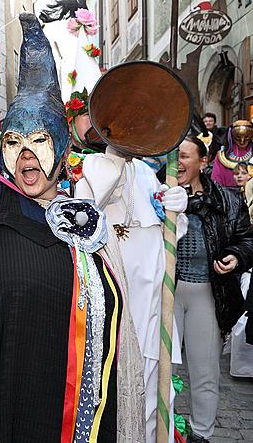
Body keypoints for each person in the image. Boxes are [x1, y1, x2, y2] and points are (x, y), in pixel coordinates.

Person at [0, 2, 144, 442]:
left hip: (64, 412)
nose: (26, 154)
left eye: (40, 140)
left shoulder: (84, 221)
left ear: (63, 150)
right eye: (14, 141)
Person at [75, 146, 187, 441]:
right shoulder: (92, 167)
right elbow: (84, 212)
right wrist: (116, 162)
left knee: (153, 410)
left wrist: (176, 213)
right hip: (114, 325)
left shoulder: (148, 174)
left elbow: (167, 239)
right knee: (113, 412)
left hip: (152, 317)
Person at [174, 136, 253, 443]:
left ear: (203, 162)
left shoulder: (227, 199)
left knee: (204, 371)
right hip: (164, 294)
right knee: (158, 368)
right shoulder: (155, 193)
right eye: (173, 156)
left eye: (184, 156)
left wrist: (236, 256)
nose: (177, 163)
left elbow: (247, 239)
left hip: (206, 293)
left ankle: (201, 435)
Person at [210, 119, 253, 188]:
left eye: (246, 137)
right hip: (226, 196)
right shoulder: (222, 156)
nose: (242, 141)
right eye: (238, 137)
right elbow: (216, 181)